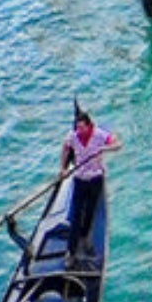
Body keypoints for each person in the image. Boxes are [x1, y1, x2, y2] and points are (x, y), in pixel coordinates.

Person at [60, 104, 121, 265]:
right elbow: (66, 148)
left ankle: (86, 238)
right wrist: (64, 169)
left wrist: (104, 148)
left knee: (89, 212)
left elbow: (117, 144)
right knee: (76, 215)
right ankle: (71, 252)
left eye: (81, 127)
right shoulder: (73, 136)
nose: (79, 131)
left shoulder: (100, 135)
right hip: (79, 179)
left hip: (95, 179)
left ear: (89, 125)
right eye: (77, 128)